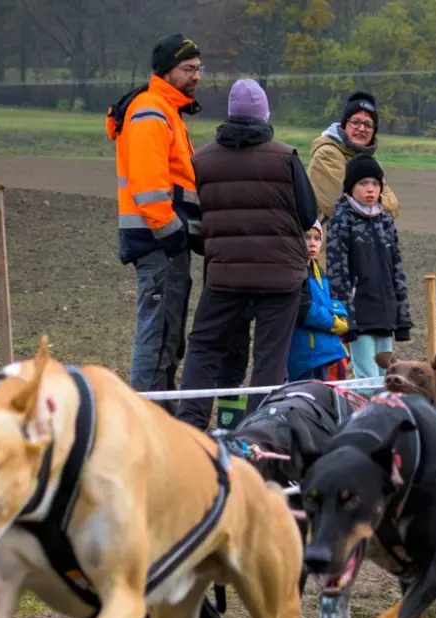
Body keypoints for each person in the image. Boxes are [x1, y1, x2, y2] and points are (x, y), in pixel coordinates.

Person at [175, 78, 317, 430]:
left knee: (205, 347)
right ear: (265, 115)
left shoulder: (202, 160)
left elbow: (200, 214)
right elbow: (308, 213)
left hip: (226, 276)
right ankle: (259, 430)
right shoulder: (285, 157)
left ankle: (190, 424)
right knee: (269, 358)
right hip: (281, 279)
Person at [107, 33, 204, 395]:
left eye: (198, 68)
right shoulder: (151, 111)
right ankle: (146, 413)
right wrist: (173, 232)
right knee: (157, 335)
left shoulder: (166, 111)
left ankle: (159, 411)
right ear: (167, 71)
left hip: (164, 241)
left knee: (168, 335)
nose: (196, 76)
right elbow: (148, 187)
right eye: (188, 68)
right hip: (158, 242)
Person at [327, 155, 411, 381]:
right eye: (363, 183)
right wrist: (346, 318)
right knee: (367, 379)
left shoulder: (386, 221)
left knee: (388, 377)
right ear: (351, 187)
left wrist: (401, 317)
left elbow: (397, 269)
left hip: (385, 313)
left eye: (375, 184)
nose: (370, 189)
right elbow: (337, 273)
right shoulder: (342, 221)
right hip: (360, 315)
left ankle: (386, 415)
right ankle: (365, 415)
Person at [308, 91, 400, 224]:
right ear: (345, 124)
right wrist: (380, 201)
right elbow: (338, 207)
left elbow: (393, 210)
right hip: (335, 241)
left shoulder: (372, 163)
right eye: (355, 122)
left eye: (368, 125)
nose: (361, 129)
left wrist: (368, 202)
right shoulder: (327, 155)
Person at [288, 222, 352, 382]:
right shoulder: (295, 270)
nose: (312, 243)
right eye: (307, 237)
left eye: (317, 238)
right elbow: (304, 307)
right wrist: (332, 322)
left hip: (325, 348)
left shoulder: (319, 272)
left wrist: (341, 315)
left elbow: (332, 300)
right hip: (306, 352)